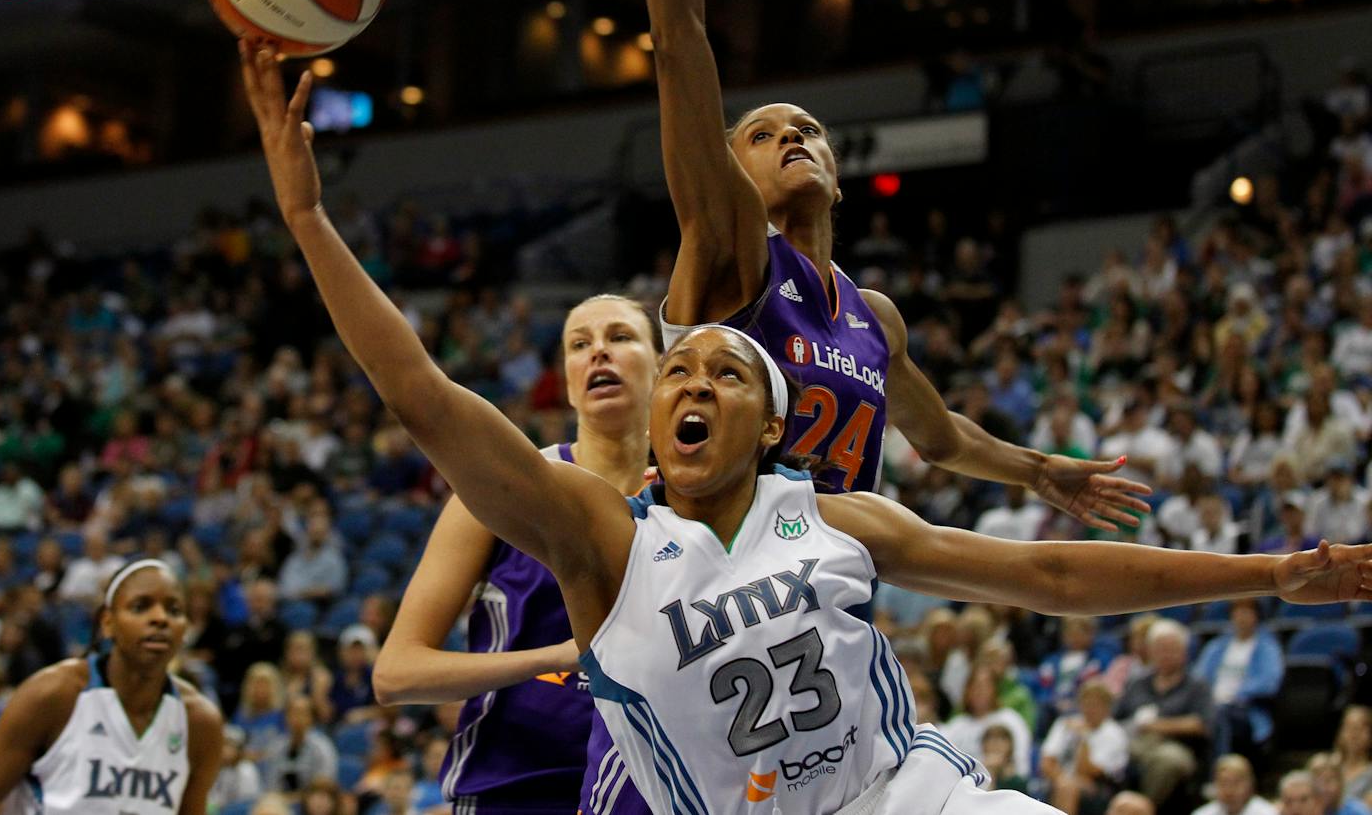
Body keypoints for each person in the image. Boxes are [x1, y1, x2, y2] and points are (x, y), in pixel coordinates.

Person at [241, 43, 1372, 815]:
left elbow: (1043, 565)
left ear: (763, 413)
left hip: (871, 754)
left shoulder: (844, 460)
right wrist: (304, 216)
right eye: (666, 360)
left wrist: (1262, 568)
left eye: (715, 367)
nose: (683, 374)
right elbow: (423, 394)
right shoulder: (617, 526)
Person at [590, 0, 1149, 521]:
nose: (796, 139)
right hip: (717, 583)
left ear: (841, 176)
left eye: (810, 131)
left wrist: (1037, 471)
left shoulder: (872, 315)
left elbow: (942, 438)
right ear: (729, 170)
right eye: (766, 133)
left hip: (823, 593)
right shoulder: (733, 248)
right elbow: (678, 35)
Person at [371, 292, 658, 815]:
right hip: (517, 786)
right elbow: (396, 672)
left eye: (619, 337)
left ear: (662, 368)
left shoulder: (689, 501)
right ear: (568, 383)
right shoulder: (500, 493)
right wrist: (560, 656)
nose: (599, 352)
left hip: (656, 787)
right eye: (579, 344)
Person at [0, 559, 223, 814]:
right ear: (107, 622)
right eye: (140, 606)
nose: (160, 618)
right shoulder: (53, 695)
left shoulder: (200, 723)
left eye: (174, 610)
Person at [1113, 619, 1213, 809]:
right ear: (1150, 652)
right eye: (1160, 649)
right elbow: (1115, 720)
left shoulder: (1197, 686)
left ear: (1184, 652)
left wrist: (1156, 725)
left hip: (1178, 747)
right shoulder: (1137, 683)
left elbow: (1201, 724)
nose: (1165, 655)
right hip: (1136, 742)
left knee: (1166, 760)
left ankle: (1143, 809)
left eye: (1171, 649)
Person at [1191, 598, 1283, 759]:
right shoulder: (1216, 647)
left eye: (1247, 612)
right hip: (1210, 706)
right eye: (1238, 612)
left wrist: (1236, 695)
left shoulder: (1267, 647)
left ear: (1256, 616)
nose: (1241, 617)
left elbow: (1269, 682)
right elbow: (1198, 678)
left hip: (1244, 711)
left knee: (1221, 714)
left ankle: (1219, 766)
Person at [1039, 681, 1128, 815]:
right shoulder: (1065, 724)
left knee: (1068, 787)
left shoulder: (1114, 733)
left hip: (1100, 788)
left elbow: (1089, 771)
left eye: (1096, 705)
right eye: (1086, 703)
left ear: (1107, 708)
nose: (1090, 709)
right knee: (1065, 786)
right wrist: (1061, 778)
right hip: (1061, 780)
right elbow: (1046, 763)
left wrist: (1084, 738)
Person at [1191, 755, 1276, 815]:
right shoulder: (1203, 813)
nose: (1229, 790)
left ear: (1250, 785)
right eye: (1223, 783)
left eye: (1236, 783)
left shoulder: (1267, 812)